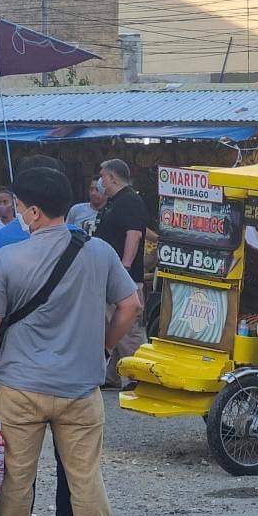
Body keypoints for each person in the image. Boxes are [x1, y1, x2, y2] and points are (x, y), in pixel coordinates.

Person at [0, 165, 141, 516]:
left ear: (34, 212)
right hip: (80, 389)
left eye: (19, 208)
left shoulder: (6, 259)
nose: (18, 214)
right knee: (85, 474)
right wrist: (105, 347)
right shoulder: (100, 253)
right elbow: (131, 306)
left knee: (17, 477)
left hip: (20, 388)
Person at [0, 155, 81, 516]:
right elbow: (124, 304)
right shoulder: (83, 242)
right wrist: (100, 350)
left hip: (19, 374)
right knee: (76, 471)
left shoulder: (4, 242)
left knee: (17, 470)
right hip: (75, 377)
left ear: (30, 205)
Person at [96, 159, 148, 388]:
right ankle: (111, 375)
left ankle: (138, 377)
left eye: (102, 176)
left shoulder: (129, 200)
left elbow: (134, 234)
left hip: (123, 277)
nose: (100, 181)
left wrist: (124, 267)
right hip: (110, 275)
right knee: (111, 324)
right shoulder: (114, 201)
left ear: (112, 177)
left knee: (127, 328)